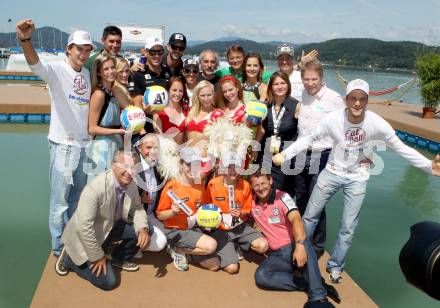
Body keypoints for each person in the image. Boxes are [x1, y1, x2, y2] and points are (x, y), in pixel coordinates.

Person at [273, 79, 440, 283]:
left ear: (367, 100)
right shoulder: (332, 119)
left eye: (362, 99)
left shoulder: (376, 122)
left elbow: (401, 147)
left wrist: (428, 165)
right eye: (353, 98)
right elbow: (309, 138)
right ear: (346, 100)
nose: (357, 103)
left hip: (358, 177)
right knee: (309, 217)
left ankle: (335, 265)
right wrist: (286, 154)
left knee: (348, 226)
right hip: (332, 172)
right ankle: (301, 256)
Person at [17, 19, 94, 256]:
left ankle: (71, 240)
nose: (83, 53)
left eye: (87, 49)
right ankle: (59, 247)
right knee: (59, 201)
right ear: (68, 49)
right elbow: (36, 65)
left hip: (83, 145)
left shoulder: (88, 73)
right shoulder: (57, 69)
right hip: (62, 145)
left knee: (77, 199)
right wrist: (26, 40)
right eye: (79, 48)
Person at [55, 150, 165, 290]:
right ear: (113, 165)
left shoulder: (130, 183)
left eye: (133, 168)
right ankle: (69, 259)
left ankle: (117, 257)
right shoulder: (95, 188)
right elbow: (84, 227)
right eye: (125, 166)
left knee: (146, 227)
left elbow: (137, 207)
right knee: (109, 282)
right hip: (84, 236)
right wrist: (97, 257)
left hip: (109, 225)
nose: (129, 172)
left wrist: (142, 229)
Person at [249, 169, 336, 308]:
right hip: (276, 255)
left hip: (294, 247)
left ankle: (318, 298)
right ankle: (310, 284)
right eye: (256, 185)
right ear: (252, 187)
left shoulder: (282, 197)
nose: (261, 188)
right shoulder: (252, 202)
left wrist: (300, 245)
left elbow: (296, 219)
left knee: (304, 240)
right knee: (262, 277)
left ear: (271, 181)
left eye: (263, 183)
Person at [294, 59, 345, 258]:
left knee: (317, 201)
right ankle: (299, 239)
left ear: (321, 78)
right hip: (300, 153)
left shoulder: (333, 98)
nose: (310, 83)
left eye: (314, 79)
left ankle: (317, 245)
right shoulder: (303, 94)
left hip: (322, 154)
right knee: (301, 198)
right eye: (306, 79)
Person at [203, 153, 268, 274]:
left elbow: (248, 210)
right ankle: (227, 247)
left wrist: (240, 213)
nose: (233, 171)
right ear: (223, 167)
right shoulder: (213, 184)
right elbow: (206, 208)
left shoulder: (246, 185)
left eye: (236, 167)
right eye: (229, 167)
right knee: (232, 269)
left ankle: (237, 243)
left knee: (263, 246)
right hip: (220, 230)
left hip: (240, 227)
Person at [156, 147, 218, 271]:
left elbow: (204, 209)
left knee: (214, 265)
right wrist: (172, 211)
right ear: (181, 164)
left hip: (194, 229)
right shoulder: (172, 186)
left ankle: (184, 249)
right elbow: (160, 215)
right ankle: (176, 247)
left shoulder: (200, 184)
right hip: (176, 230)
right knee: (211, 245)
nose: (192, 168)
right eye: (188, 164)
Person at [87, 55, 129, 181]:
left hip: (115, 144)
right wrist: (118, 131)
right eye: (106, 69)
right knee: (100, 184)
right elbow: (92, 129)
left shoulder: (113, 92)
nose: (110, 71)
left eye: (112, 67)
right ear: (99, 73)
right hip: (101, 148)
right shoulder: (99, 94)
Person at [257, 71, 298, 197]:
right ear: (271, 87)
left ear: (288, 85)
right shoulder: (265, 106)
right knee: (263, 191)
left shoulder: (296, 106)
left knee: (281, 195)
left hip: (285, 158)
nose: (280, 87)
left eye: (283, 83)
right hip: (265, 157)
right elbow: (259, 131)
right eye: (276, 84)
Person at [133, 134, 168, 258]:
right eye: (148, 147)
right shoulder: (133, 166)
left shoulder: (160, 166)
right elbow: (121, 196)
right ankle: (131, 247)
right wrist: (138, 198)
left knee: (170, 234)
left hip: (152, 214)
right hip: (135, 215)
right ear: (140, 148)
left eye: (156, 148)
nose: (152, 151)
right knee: (160, 243)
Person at [129, 36, 171, 133]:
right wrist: (142, 133)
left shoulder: (168, 72)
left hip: (166, 128)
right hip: (147, 130)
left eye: (160, 52)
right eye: (152, 52)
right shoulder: (139, 75)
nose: (156, 55)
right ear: (145, 52)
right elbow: (137, 107)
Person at [153, 77, 189, 144]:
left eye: (181, 91)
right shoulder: (159, 113)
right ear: (168, 90)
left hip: (183, 151)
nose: (177, 94)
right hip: (165, 152)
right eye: (174, 90)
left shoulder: (186, 109)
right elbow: (158, 139)